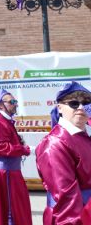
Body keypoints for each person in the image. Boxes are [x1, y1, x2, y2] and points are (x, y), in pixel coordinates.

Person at [36, 81, 91, 224]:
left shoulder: (82, 136)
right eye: (73, 103)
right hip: (73, 217)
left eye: (86, 103)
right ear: (60, 107)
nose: (80, 108)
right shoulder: (55, 143)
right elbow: (66, 200)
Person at [0, 88, 32, 225]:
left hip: (9, 173)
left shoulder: (5, 121)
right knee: (9, 211)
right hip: (5, 175)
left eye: (15, 101)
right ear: (1, 104)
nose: (15, 104)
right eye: (11, 102)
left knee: (15, 209)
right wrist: (22, 149)